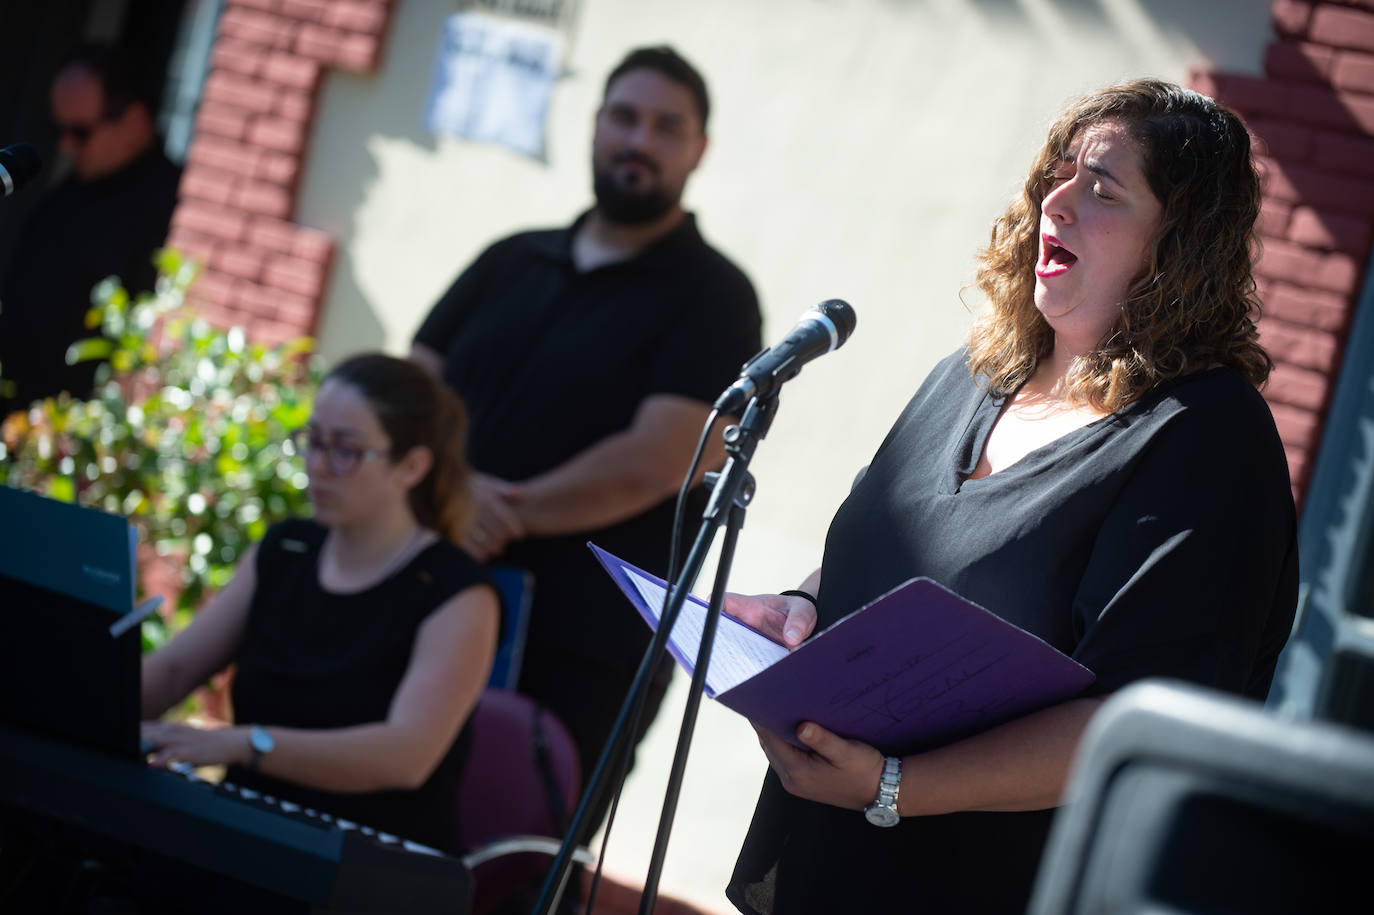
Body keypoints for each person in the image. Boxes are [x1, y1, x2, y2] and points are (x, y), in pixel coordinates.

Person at [722, 80, 1300, 914]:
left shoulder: (1205, 436)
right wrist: (800, 612)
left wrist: (894, 784)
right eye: (1056, 175)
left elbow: (1140, 716)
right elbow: (880, 560)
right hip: (830, 861)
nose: (1054, 201)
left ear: (1179, 244)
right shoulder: (968, 377)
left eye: (1101, 189)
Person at [410, 44, 763, 827]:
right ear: (596, 124)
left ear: (698, 149)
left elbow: (663, 457)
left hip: (577, 651)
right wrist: (451, 494)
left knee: (511, 860)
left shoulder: (715, 296)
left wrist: (498, 511)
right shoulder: (508, 260)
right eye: (625, 118)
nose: (639, 140)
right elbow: (408, 395)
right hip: (428, 601)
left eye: (666, 127)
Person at [140, 353, 500, 853]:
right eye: (312, 441)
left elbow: (406, 755)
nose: (317, 466)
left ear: (412, 466)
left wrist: (243, 743)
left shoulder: (457, 591)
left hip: (368, 860)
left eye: (346, 450)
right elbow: (175, 669)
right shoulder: (287, 549)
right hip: (244, 831)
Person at [0, 43, 180, 415]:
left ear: (134, 121)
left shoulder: (172, 209)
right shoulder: (72, 192)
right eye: (59, 129)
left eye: (80, 132)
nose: (66, 145)